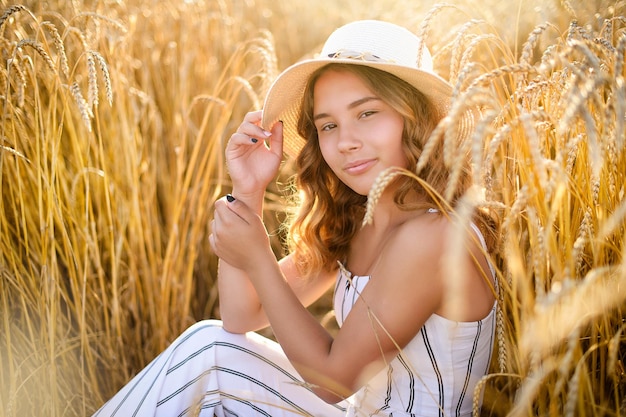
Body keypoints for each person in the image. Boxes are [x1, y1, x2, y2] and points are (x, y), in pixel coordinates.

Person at [92, 19, 499, 417]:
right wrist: (248, 191)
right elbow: (239, 317)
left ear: (417, 117)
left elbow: (331, 381)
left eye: (368, 113)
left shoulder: (438, 235)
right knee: (211, 347)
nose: (346, 142)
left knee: (207, 352)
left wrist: (257, 257)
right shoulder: (358, 222)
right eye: (328, 125)